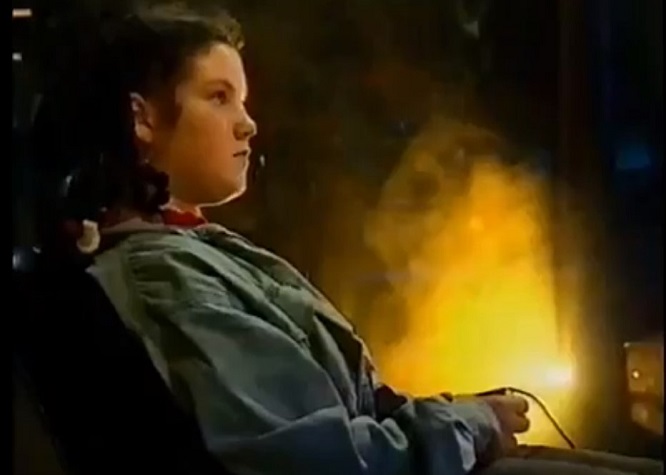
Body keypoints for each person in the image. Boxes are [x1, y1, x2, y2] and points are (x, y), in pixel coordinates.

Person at [37, 3, 663, 475]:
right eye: (218, 97)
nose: (247, 124)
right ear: (142, 118)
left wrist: (454, 415)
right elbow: (317, 459)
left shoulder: (193, 253)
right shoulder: (162, 277)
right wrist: (466, 424)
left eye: (243, 101)